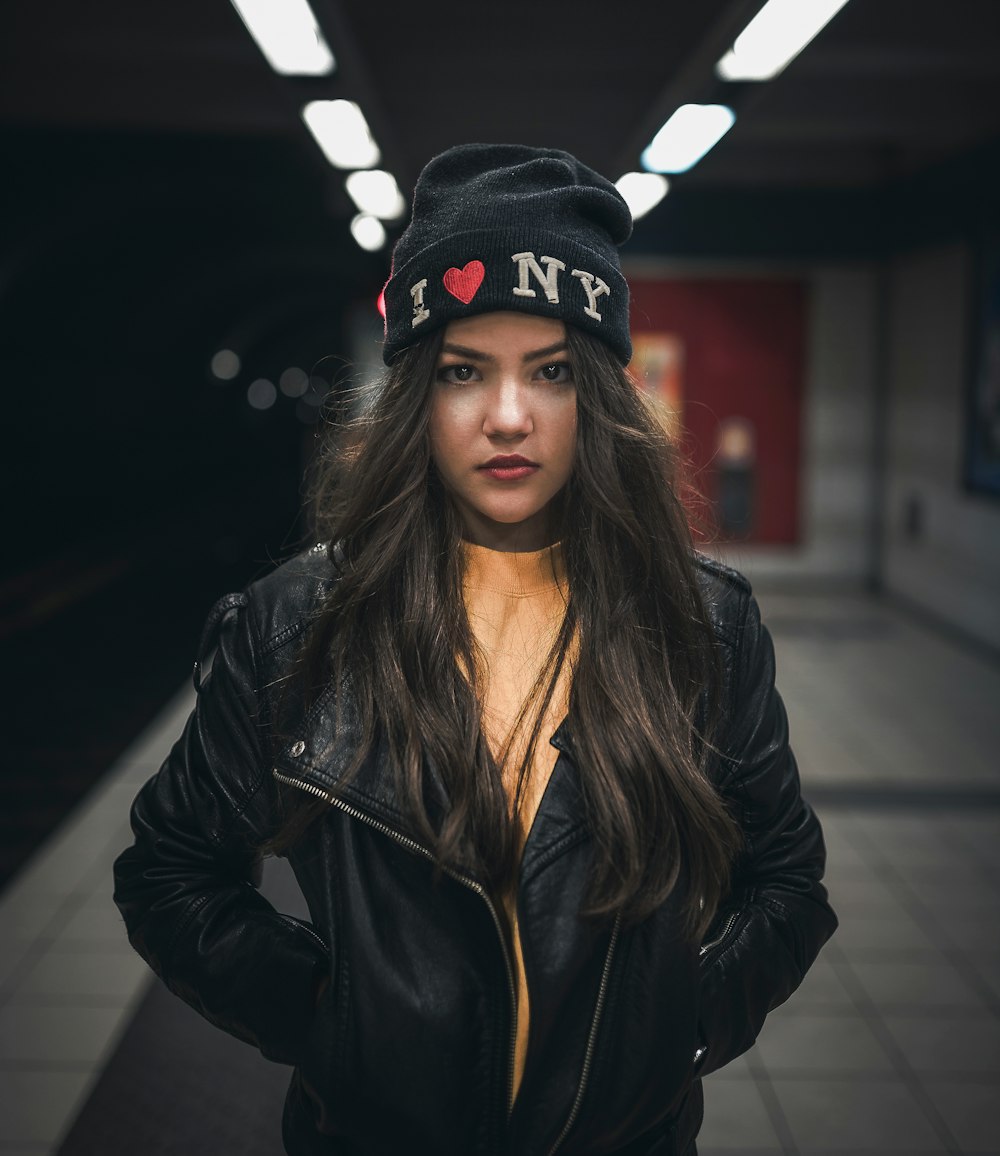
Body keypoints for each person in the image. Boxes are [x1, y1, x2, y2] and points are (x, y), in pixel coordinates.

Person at [113, 143, 837, 1156]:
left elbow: (788, 881)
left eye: (549, 371)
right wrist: (329, 1021)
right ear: (417, 396)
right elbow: (172, 871)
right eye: (463, 371)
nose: (508, 417)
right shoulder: (297, 625)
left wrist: (678, 1029)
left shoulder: (698, 626)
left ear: (600, 395)